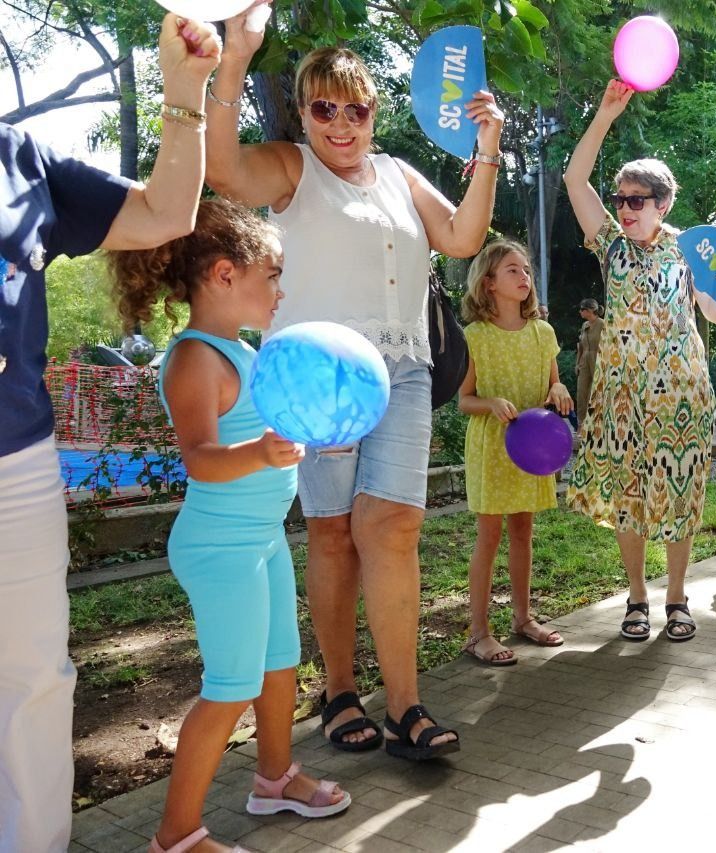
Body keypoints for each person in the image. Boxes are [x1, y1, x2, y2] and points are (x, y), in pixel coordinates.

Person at [206, 1, 503, 757]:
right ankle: (340, 689)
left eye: (357, 108)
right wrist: (234, 60)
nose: (342, 122)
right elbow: (223, 170)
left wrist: (489, 146)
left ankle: (404, 701)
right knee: (334, 534)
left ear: (376, 112)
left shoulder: (400, 175)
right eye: (324, 107)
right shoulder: (291, 166)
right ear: (305, 111)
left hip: (401, 369)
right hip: (315, 379)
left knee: (393, 523)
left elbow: (466, 237)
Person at [0, 16, 219, 852]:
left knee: (32, 679)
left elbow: (166, 211)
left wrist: (183, 89)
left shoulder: (22, 157)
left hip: (15, 457)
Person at [108, 199, 352, 853]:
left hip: (262, 537)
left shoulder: (242, 351)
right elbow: (202, 458)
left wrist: (301, 438)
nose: (280, 289)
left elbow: (264, 429)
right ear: (224, 274)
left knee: (279, 665)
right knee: (231, 686)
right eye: (271, 274)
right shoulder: (194, 358)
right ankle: (176, 834)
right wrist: (261, 454)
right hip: (221, 547)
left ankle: (273, 778)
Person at [562, 80, 716, 643]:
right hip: (620, 392)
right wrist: (605, 114)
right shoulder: (610, 245)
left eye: (636, 200)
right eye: (619, 199)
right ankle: (637, 598)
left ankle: (678, 598)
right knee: (629, 498)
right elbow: (573, 178)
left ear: (663, 204)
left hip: (681, 395)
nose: (624, 208)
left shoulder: (693, 247)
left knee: (680, 493)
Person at [457, 240, 573, 665]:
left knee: (523, 531)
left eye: (526, 270)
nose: (524, 277)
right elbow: (464, 399)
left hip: (534, 449)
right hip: (493, 448)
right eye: (512, 270)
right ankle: (478, 632)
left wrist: (558, 389)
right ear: (488, 283)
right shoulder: (475, 337)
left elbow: (552, 385)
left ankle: (523, 618)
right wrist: (490, 403)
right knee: (489, 537)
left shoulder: (543, 333)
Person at [576, 297, 605, 414]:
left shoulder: (603, 324)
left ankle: (597, 421)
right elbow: (580, 346)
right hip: (584, 360)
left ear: (590, 310)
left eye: (582, 309)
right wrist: (577, 364)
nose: (580, 311)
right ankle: (581, 423)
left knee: (596, 391)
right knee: (581, 392)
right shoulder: (584, 325)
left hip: (598, 359)